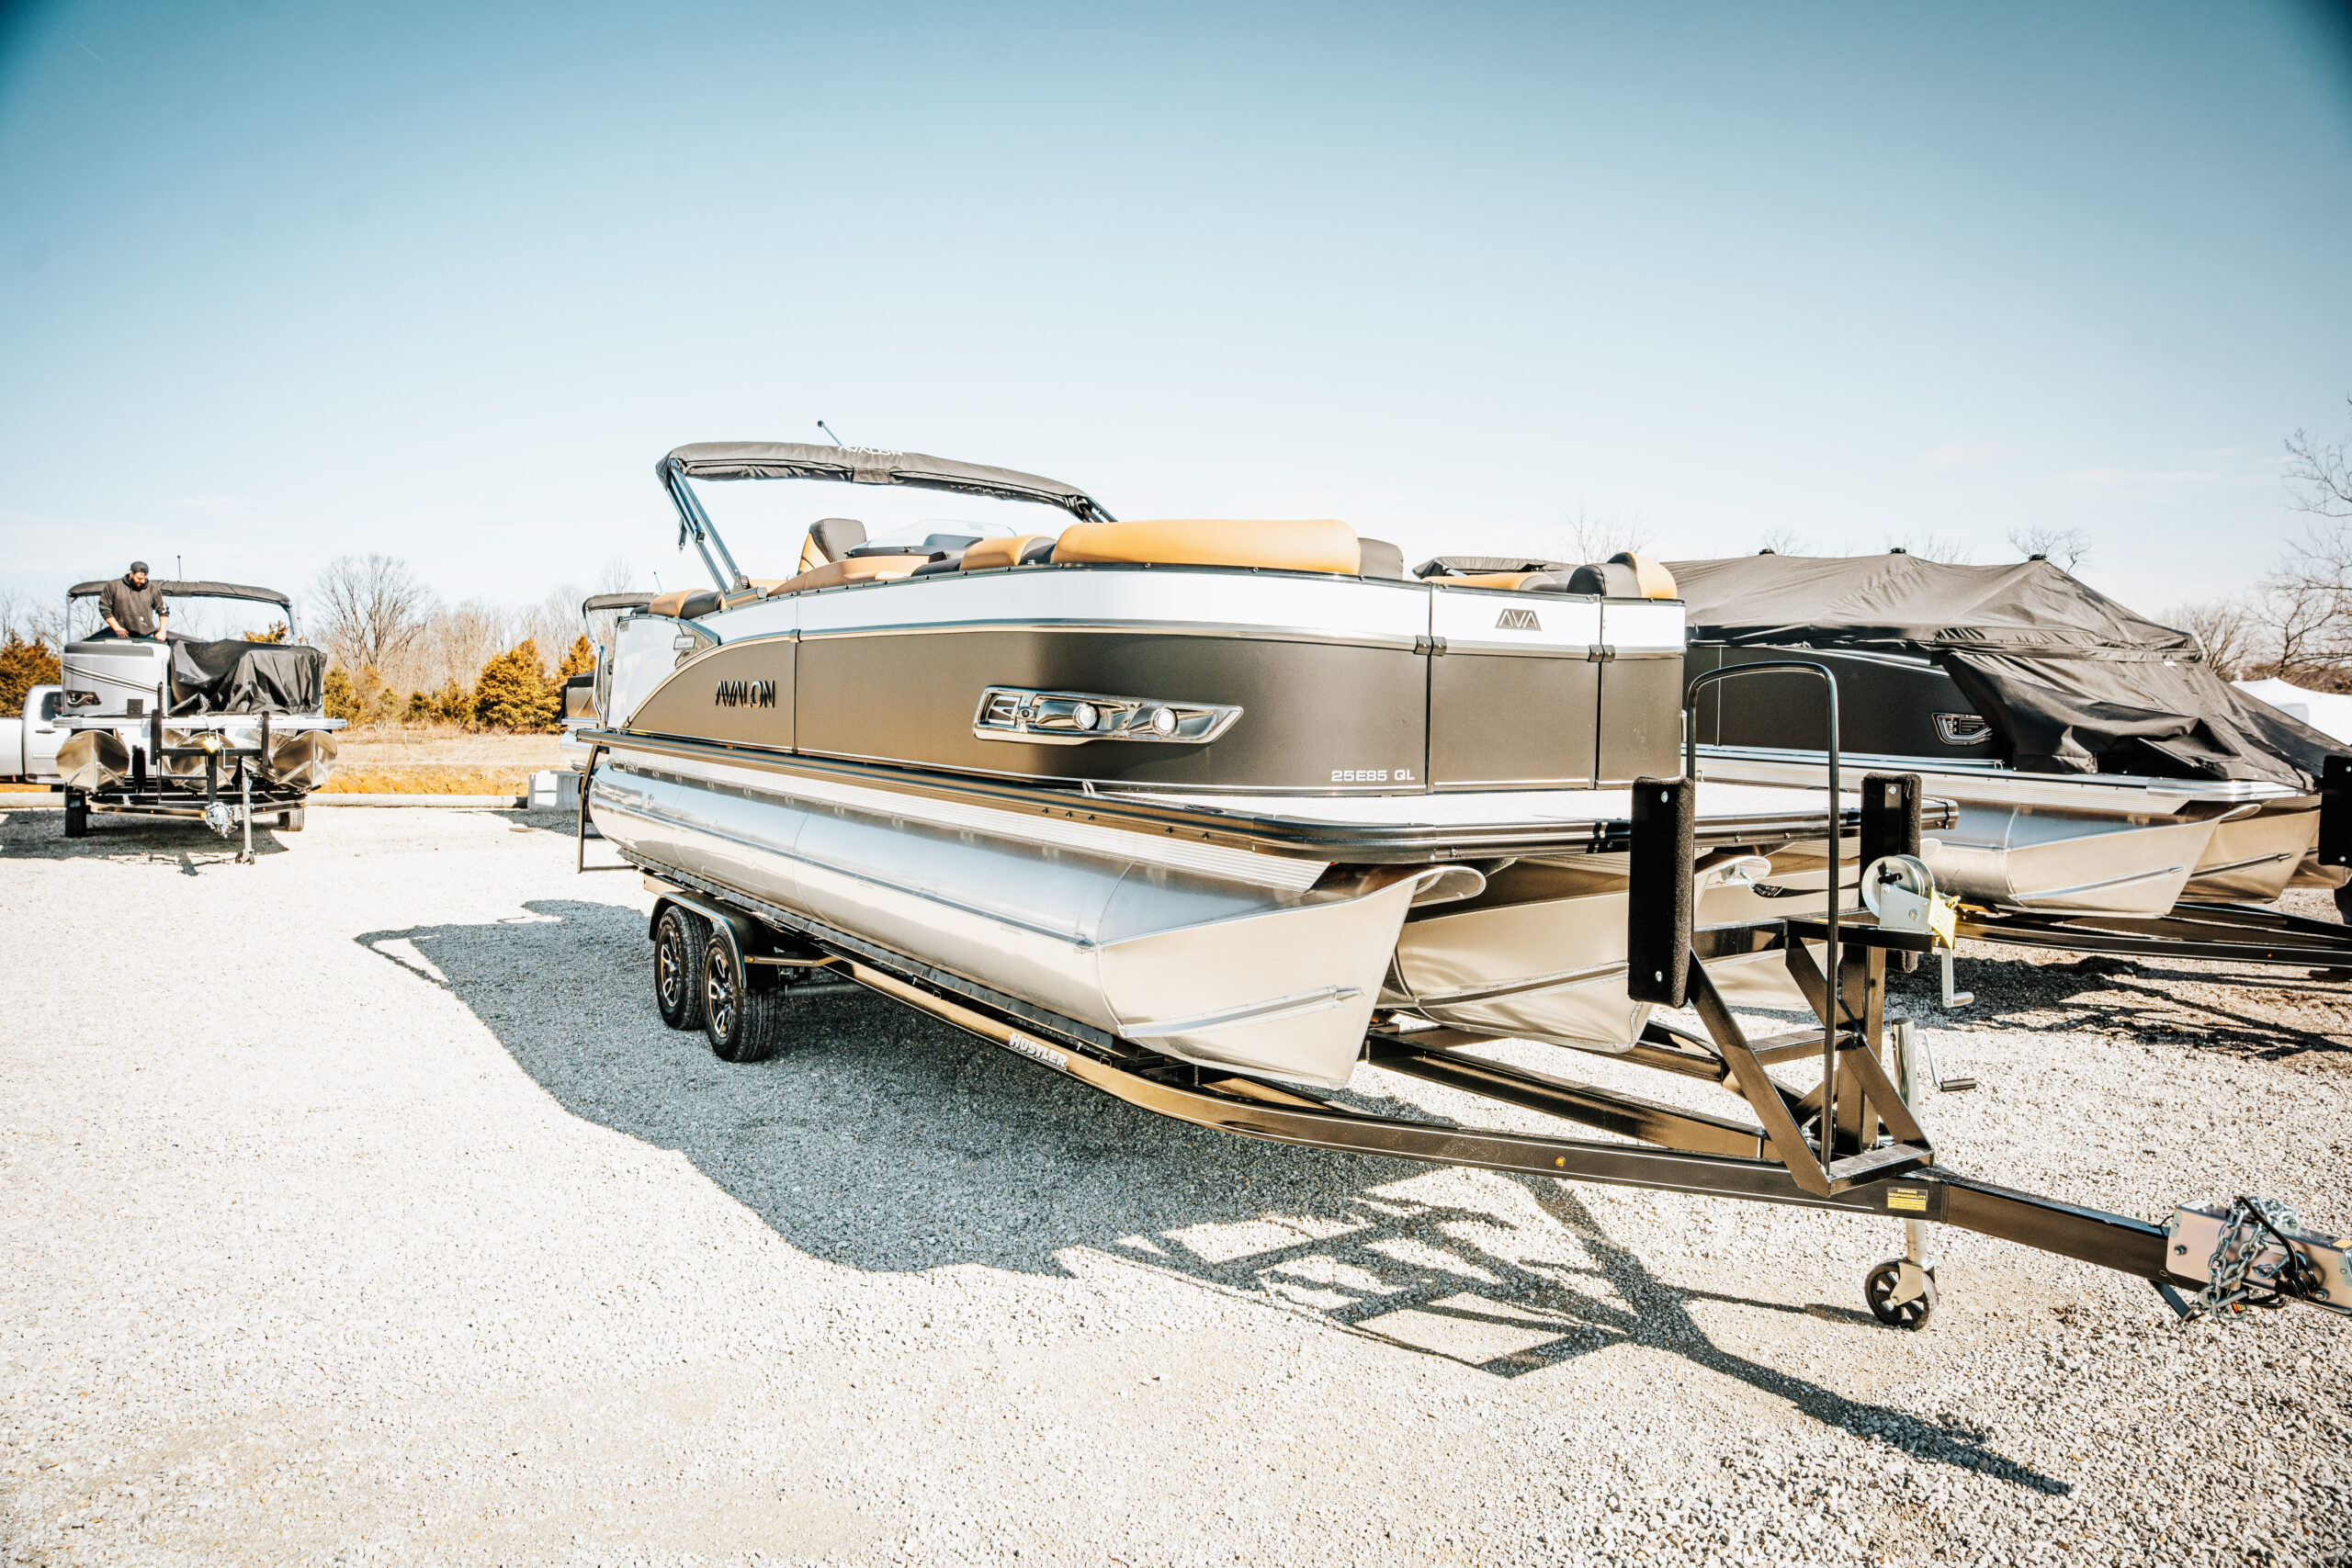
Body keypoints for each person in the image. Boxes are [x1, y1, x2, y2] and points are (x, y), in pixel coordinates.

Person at [98, 561, 170, 641]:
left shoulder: (152, 590)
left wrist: (162, 632)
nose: (142, 581)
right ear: (131, 574)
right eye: (139, 578)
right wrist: (117, 628)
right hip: (118, 636)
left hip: (145, 636)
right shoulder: (114, 586)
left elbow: (164, 611)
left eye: (145, 579)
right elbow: (104, 608)